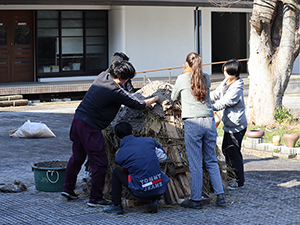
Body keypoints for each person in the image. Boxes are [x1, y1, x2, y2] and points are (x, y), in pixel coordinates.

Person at [61, 60, 159, 207]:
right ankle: (95, 199)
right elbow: (138, 105)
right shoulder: (115, 91)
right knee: (100, 163)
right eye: (127, 79)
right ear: (121, 79)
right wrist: (156, 98)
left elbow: (113, 64)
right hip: (90, 127)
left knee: (77, 157)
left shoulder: (103, 75)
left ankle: (68, 189)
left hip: (77, 121)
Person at [171, 52, 226, 209]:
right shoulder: (206, 77)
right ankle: (220, 195)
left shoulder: (182, 78)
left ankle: (195, 200)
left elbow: (174, 96)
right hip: (209, 120)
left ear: (187, 64)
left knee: (196, 163)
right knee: (211, 160)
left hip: (193, 122)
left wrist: (183, 74)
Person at [81, 52, 135, 182]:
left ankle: (86, 174)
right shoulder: (117, 80)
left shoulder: (103, 75)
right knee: (99, 153)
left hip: (90, 119)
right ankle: (92, 177)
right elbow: (131, 97)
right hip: (100, 122)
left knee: (85, 151)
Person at [103, 122, 169, 214]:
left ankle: (116, 205)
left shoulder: (120, 155)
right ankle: (154, 199)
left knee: (117, 171)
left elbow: (126, 169)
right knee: (152, 168)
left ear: (117, 138)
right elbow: (163, 157)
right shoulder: (149, 141)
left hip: (140, 192)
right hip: (160, 187)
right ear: (132, 132)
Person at [210, 59, 247, 190]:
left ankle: (238, 181)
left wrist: (209, 108)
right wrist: (204, 98)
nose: (224, 72)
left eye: (225, 70)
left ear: (232, 72)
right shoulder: (227, 81)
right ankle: (232, 178)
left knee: (234, 153)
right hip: (229, 125)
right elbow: (216, 94)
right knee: (226, 150)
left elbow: (224, 102)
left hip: (237, 126)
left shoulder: (237, 87)